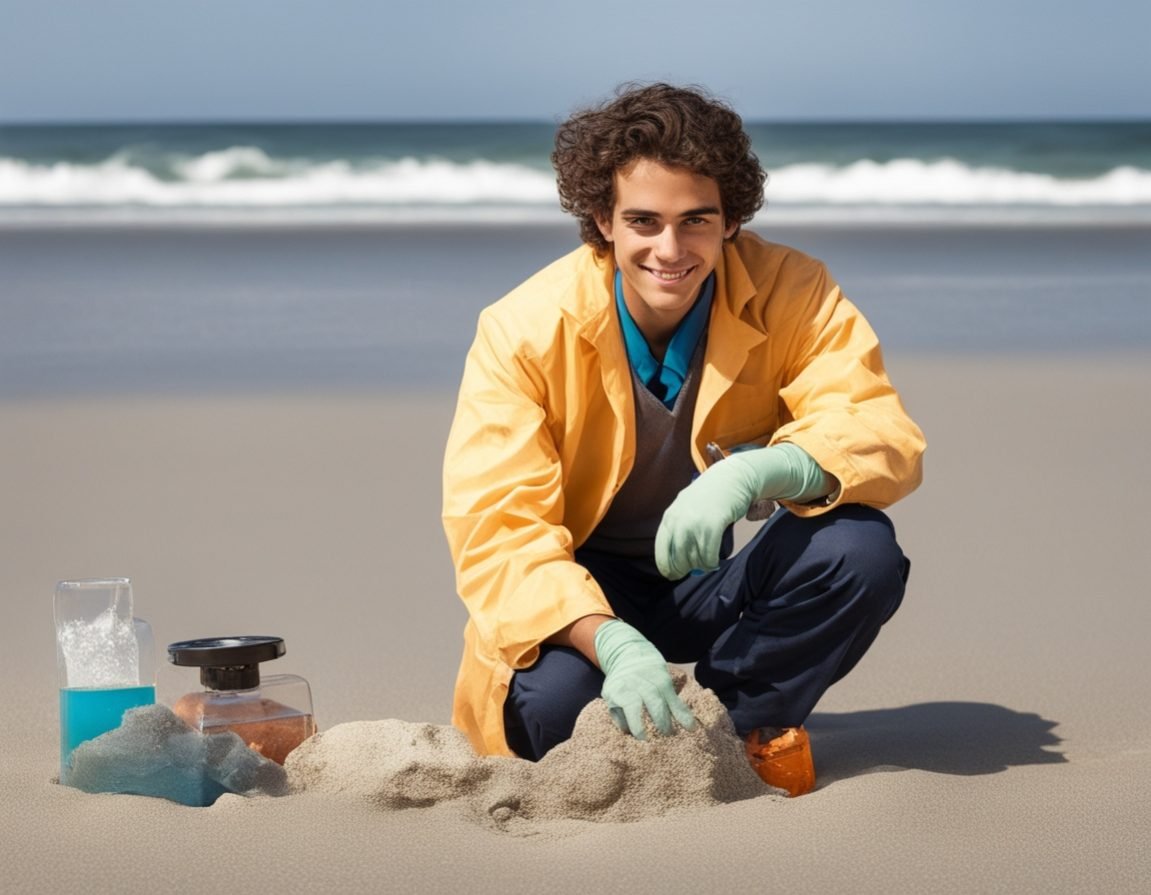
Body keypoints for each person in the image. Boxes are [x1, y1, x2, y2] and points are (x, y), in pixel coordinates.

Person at [441, 83, 925, 796]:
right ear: (602, 220)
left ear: (731, 219)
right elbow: (497, 531)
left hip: (704, 576)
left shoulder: (794, 288)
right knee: (551, 709)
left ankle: (735, 729)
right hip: (574, 595)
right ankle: (626, 732)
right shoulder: (520, 330)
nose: (670, 249)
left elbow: (880, 430)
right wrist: (606, 636)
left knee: (859, 549)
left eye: (696, 219)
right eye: (643, 221)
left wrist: (762, 471)